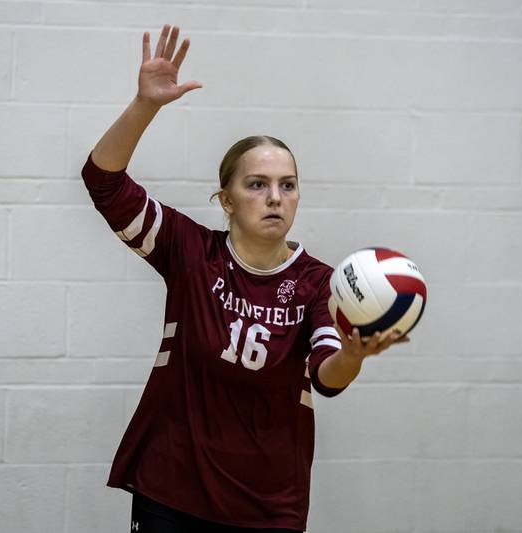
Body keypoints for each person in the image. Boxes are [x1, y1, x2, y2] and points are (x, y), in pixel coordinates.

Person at [81, 24, 409, 533]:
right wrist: (145, 105)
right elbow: (103, 182)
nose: (275, 197)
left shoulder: (320, 283)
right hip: (171, 488)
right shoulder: (191, 251)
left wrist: (354, 354)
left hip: (268, 504)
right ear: (227, 200)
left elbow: (326, 377)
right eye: (257, 184)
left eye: (288, 185)